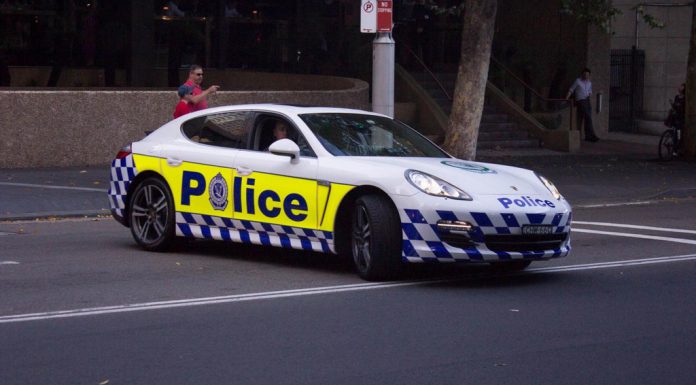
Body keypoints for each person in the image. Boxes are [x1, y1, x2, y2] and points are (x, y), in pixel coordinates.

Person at [566, 68, 599, 142]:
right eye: (584, 74)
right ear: (582, 74)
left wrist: (589, 94)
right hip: (580, 100)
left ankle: (587, 136)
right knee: (588, 116)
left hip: (587, 100)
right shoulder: (578, 81)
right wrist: (566, 97)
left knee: (585, 117)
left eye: (587, 75)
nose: (586, 76)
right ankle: (592, 135)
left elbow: (590, 91)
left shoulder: (589, 83)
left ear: (589, 75)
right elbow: (571, 89)